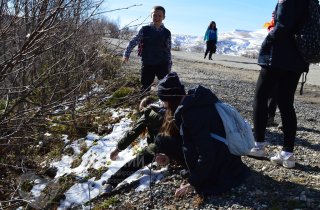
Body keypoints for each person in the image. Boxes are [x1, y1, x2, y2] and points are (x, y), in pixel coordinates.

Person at [156, 72, 250, 197]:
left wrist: (192, 182)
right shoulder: (197, 100)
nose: (163, 105)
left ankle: (204, 175)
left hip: (221, 167)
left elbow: (207, 154)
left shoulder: (191, 116)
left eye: (164, 101)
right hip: (228, 157)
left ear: (170, 100)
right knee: (163, 139)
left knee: (162, 140)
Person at [249, 0, 309, 169]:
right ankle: (287, 154)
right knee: (286, 103)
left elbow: (283, 25)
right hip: (298, 58)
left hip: (277, 56)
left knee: (260, 97)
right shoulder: (311, 2)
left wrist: (267, 41)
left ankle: (258, 146)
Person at [104, 96, 165, 192]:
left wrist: (117, 150)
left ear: (144, 107)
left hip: (164, 145)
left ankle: (111, 183)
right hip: (179, 143)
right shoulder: (165, 107)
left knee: (138, 160)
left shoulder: (148, 112)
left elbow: (132, 133)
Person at [123, 6, 172, 93]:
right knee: (145, 88)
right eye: (154, 15)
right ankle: (143, 105)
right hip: (147, 64)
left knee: (166, 88)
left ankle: (165, 106)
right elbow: (134, 41)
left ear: (164, 17)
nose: (157, 18)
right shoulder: (145, 30)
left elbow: (168, 50)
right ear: (151, 16)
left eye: (159, 16)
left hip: (162, 64)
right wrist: (126, 54)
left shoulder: (167, 33)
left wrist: (169, 65)